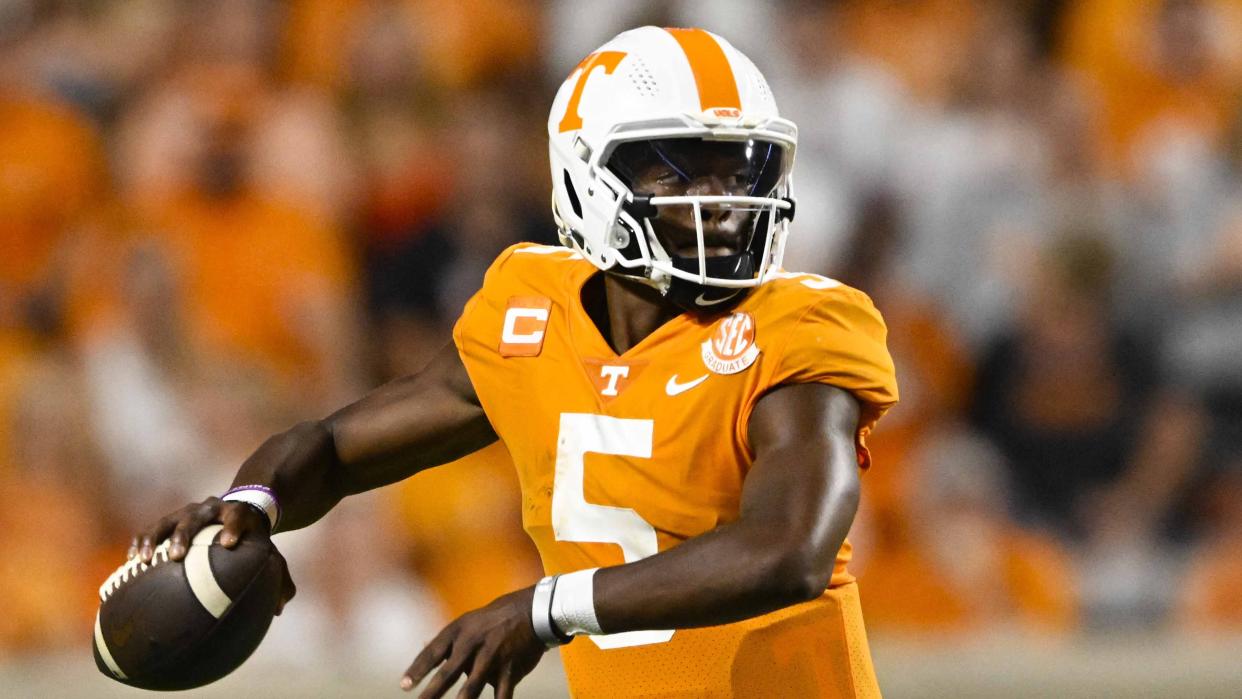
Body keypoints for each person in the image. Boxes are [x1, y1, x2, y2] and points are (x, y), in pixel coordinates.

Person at [130, 27, 898, 698]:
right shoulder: (530, 309)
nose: (724, 200)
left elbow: (789, 548)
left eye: (740, 170)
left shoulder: (799, 323)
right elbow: (335, 447)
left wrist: (543, 609)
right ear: (584, 177)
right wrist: (251, 501)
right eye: (681, 171)